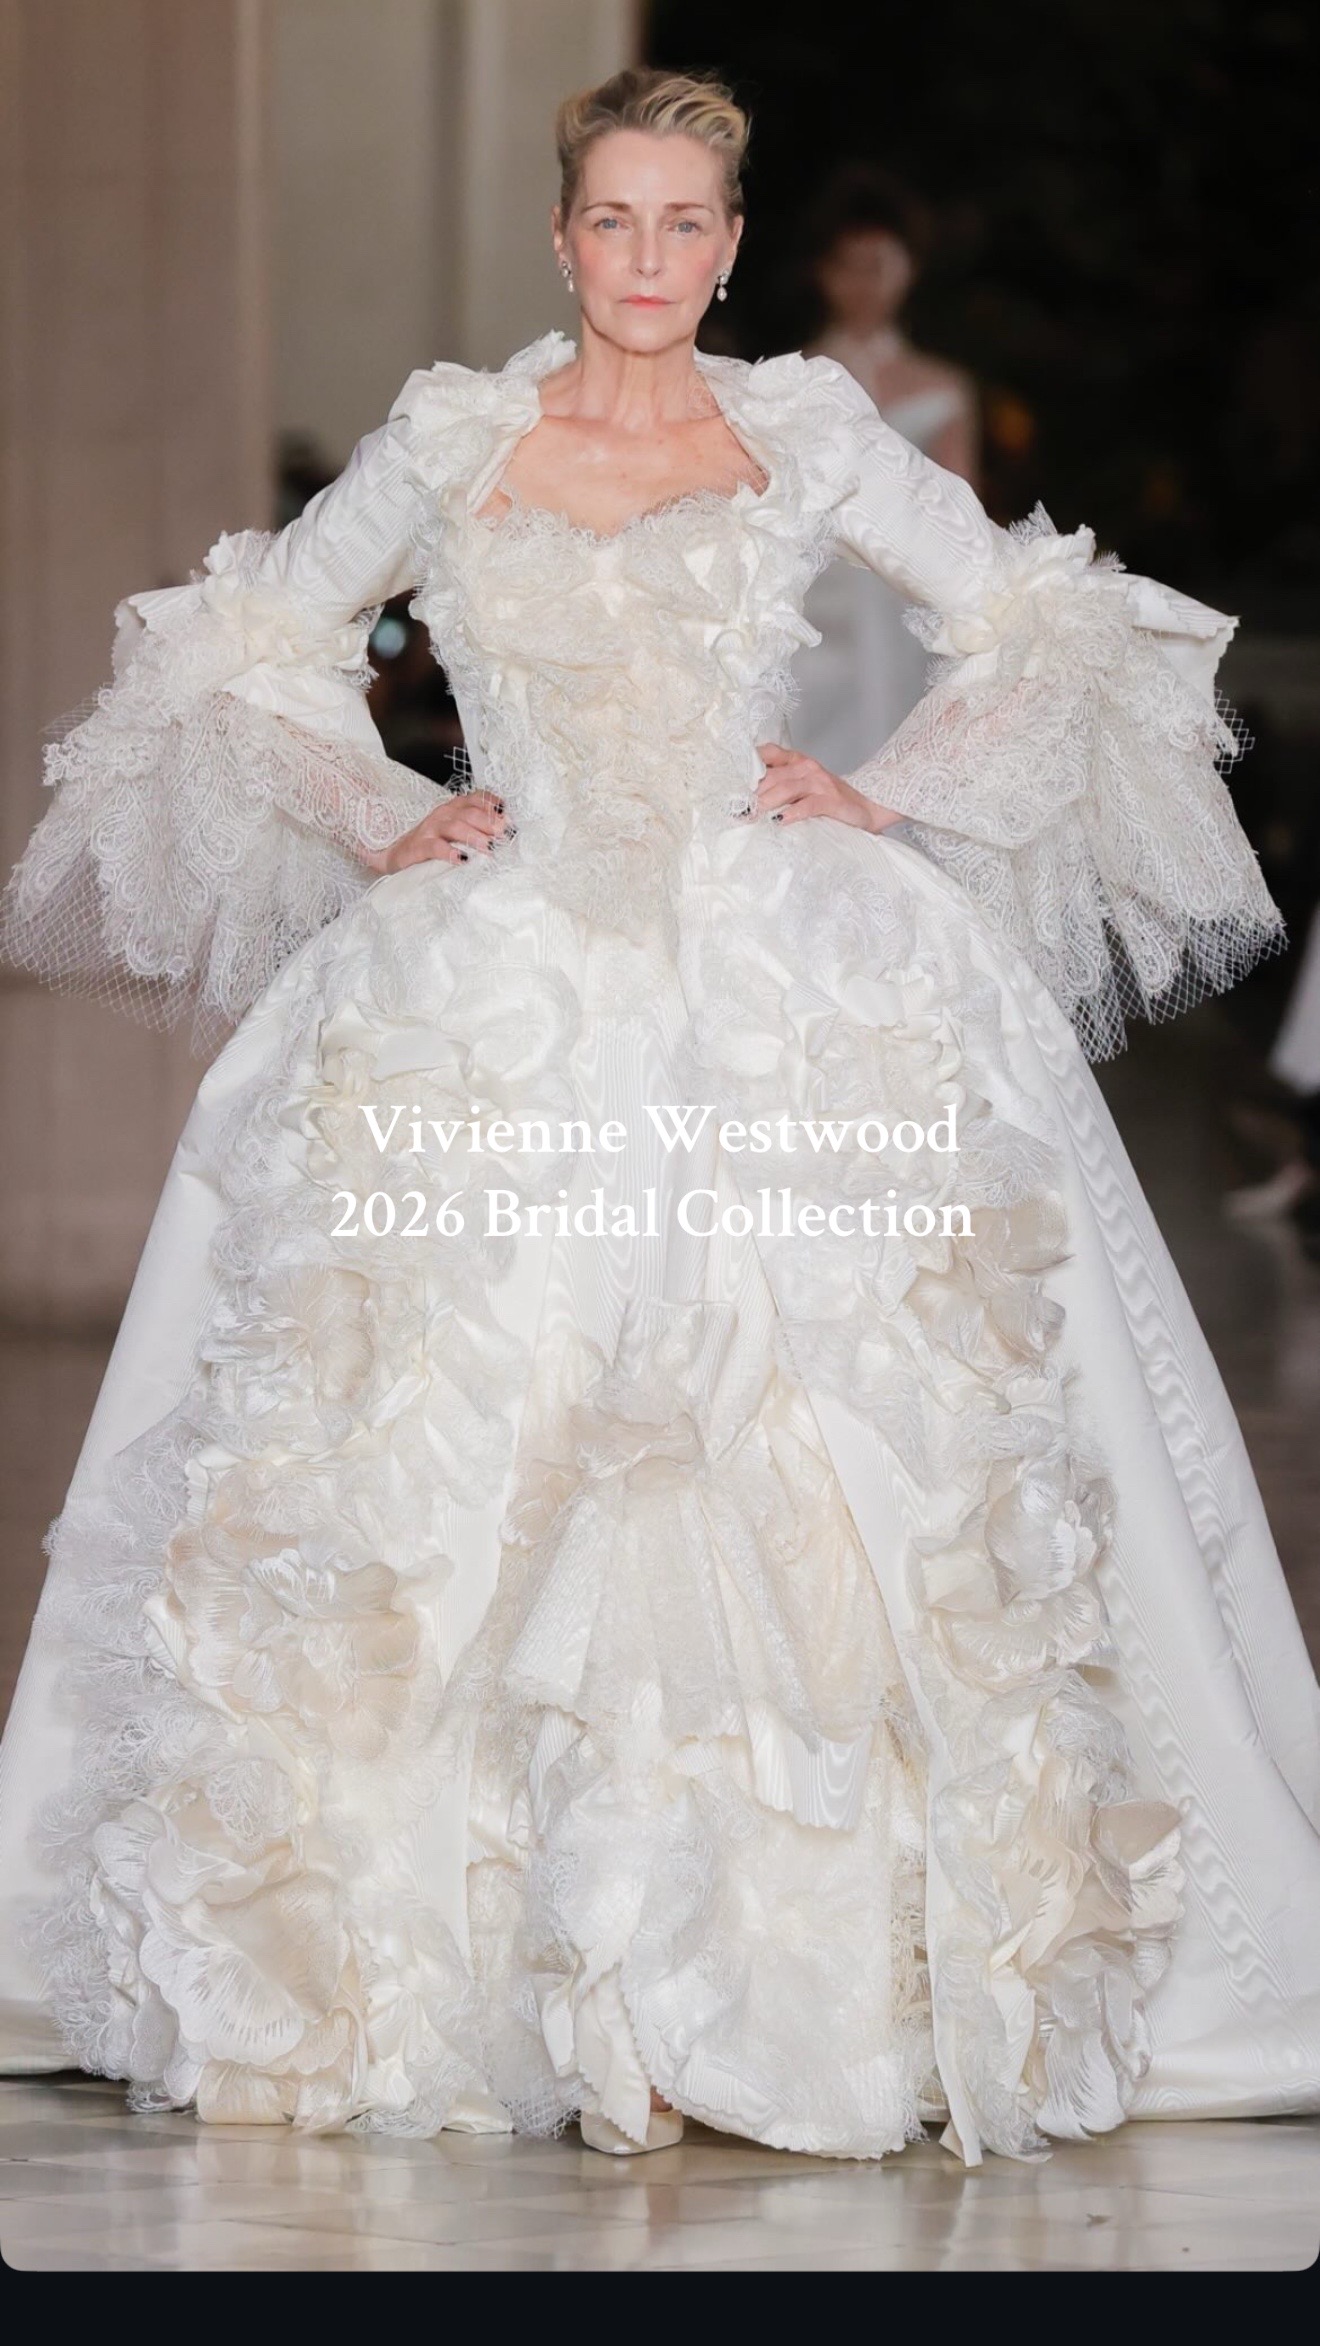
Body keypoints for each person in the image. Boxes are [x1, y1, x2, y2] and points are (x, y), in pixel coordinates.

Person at [0, 67, 1317, 2168]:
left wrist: (890, 791)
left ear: (730, 240)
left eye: (685, 221)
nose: (647, 257)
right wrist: (387, 808)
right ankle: (427, 1971)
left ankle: (801, 1982)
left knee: (837, 1435)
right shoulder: (453, 435)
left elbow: (1046, 618)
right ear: (562, 236)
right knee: (424, 1429)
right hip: (498, 975)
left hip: (773, 973)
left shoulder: (802, 427)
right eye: (613, 219)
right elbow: (233, 651)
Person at [791, 168, 980, 775]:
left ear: (908, 270)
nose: (863, 284)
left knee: (904, 742)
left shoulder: (942, 385)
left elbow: (962, 513)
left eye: (879, 266)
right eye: (848, 266)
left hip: (907, 594)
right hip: (820, 596)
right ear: (824, 273)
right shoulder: (794, 378)